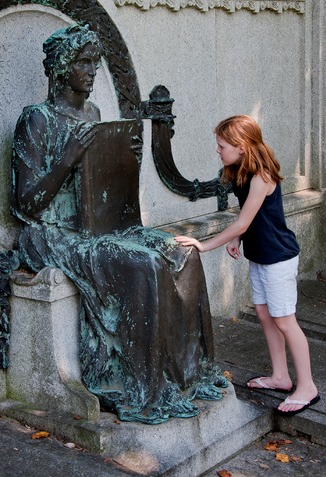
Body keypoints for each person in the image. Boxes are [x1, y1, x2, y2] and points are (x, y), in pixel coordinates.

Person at [11, 24, 227, 424]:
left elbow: (106, 187)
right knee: (143, 265)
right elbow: (25, 205)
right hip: (52, 233)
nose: (92, 71)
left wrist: (126, 157)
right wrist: (67, 158)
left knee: (182, 253)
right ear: (62, 68)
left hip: (100, 223)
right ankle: (144, 388)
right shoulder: (36, 120)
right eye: (83, 63)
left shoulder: (93, 114)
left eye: (95, 63)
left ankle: (188, 374)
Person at [175, 115, 319, 416]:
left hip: (278, 257)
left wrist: (204, 244)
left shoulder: (262, 176)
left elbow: (243, 219)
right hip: (260, 255)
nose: (218, 150)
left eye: (222, 145)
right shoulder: (241, 170)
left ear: (241, 146)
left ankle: (307, 386)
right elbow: (249, 218)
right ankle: (281, 377)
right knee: (266, 317)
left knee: (285, 321)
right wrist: (238, 239)